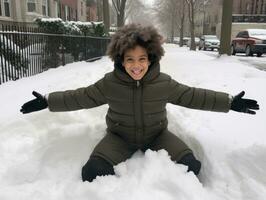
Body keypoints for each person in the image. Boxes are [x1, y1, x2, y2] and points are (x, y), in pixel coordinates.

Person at [20, 24, 259, 182]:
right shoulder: (110, 83)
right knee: (91, 172)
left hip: (157, 135)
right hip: (119, 138)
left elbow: (193, 95)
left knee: (192, 167)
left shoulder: (163, 83)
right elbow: (81, 96)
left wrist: (229, 102)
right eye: (130, 59)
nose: (137, 65)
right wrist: (48, 101)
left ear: (151, 58)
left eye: (142, 59)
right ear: (120, 60)